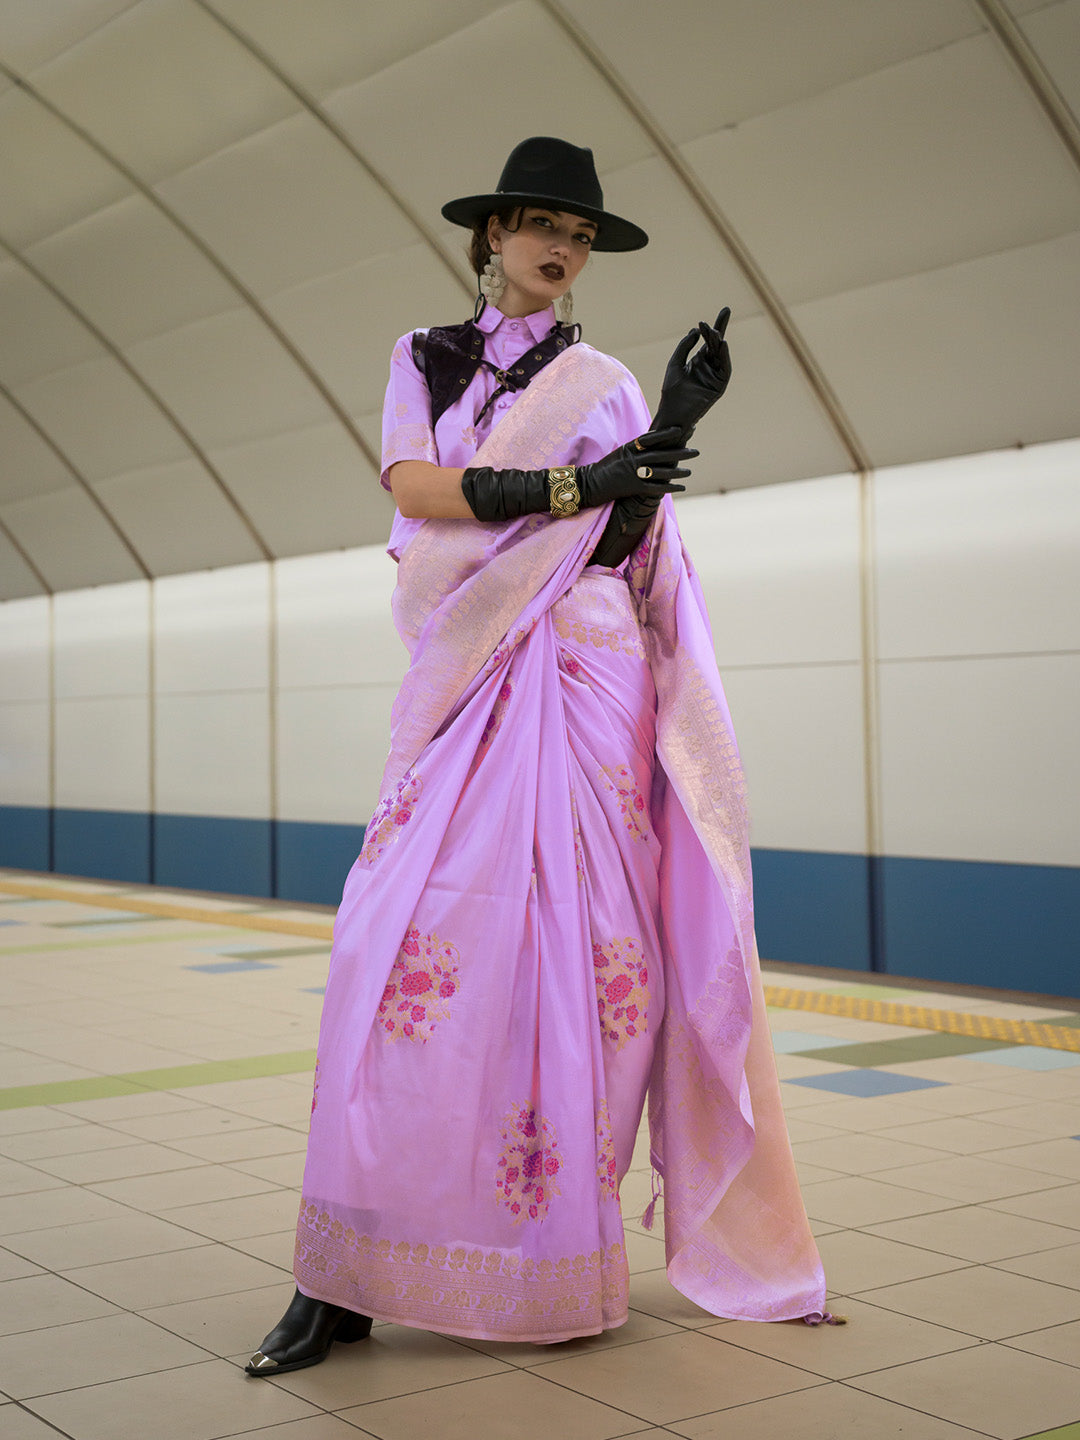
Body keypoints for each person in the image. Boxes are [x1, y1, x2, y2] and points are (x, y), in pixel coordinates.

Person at [246, 136, 830, 1378]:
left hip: (591, 677)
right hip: (471, 679)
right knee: (396, 952)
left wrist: (671, 424)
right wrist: (574, 485)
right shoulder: (422, 357)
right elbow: (414, 485)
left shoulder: (610, 379)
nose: (559, 248)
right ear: (491, 236)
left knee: (594, 972)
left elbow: (630, 538)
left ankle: (551, 1252)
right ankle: (341, 1276)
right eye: (538, 225)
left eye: (578, 231)